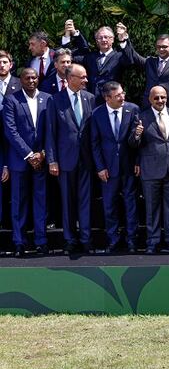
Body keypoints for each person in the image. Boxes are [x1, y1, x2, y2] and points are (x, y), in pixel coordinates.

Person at [44, 63, 95, 254]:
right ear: (70, 78)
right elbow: (50, 132)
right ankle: (69, 240)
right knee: (67, 202)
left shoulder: (90, 98)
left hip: (87, 159)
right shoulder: (55, 100)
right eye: (82, 77)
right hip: (65, 160)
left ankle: (86, 238)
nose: (86, 80)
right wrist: (52, 160)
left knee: (86, 201)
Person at [89, 81, 141, 253]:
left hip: (128, 167)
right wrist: (100, 167)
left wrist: (138, 161)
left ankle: (132, 240)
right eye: (118, 95)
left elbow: (138, 141)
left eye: (123, 93)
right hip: (108, 169)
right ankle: (113, 239)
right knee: (109, 206)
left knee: (130, 204)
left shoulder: (132, 109)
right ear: (107, 97)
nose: (123, 97)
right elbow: (95, 143)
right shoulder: (97, 114)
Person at [3, 68, 50, 256]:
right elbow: (10, 131)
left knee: (41, 202)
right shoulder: (11, 100)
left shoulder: (47, 98)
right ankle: (19, 242)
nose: (31, 80)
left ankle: (41, 241)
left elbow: (51, 129)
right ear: (20, 80)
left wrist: (43, 154)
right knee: (18, 203)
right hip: (20, 160)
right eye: (27, 78)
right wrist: (29, 155)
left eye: (34, 77)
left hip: (42, 159)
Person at [130, 85, 169, 254]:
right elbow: (133, 144)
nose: (160, 101)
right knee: (152, 208)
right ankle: (152, 242)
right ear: (150, 99)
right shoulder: (141, 117)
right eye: (156, 98)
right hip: (150, 169)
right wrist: (137, 134)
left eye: (163, 97)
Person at [119, 27, 169, 110]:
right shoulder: (150, 62)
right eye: (158, 47)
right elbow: (133, 56)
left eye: (164, 47)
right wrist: (124, 39)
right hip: (150, 108)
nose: (161, 49)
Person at [62, 22, 140, 101]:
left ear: (112, 39)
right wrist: (70, 34)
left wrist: (123, 40)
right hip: (90, 101)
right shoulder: (90, 57)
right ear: (96, 41)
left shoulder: (119, 56)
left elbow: (130, 60)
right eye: (100, 38)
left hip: (111, 101)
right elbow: (68, 56)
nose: (103, 40)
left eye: (106, 37)